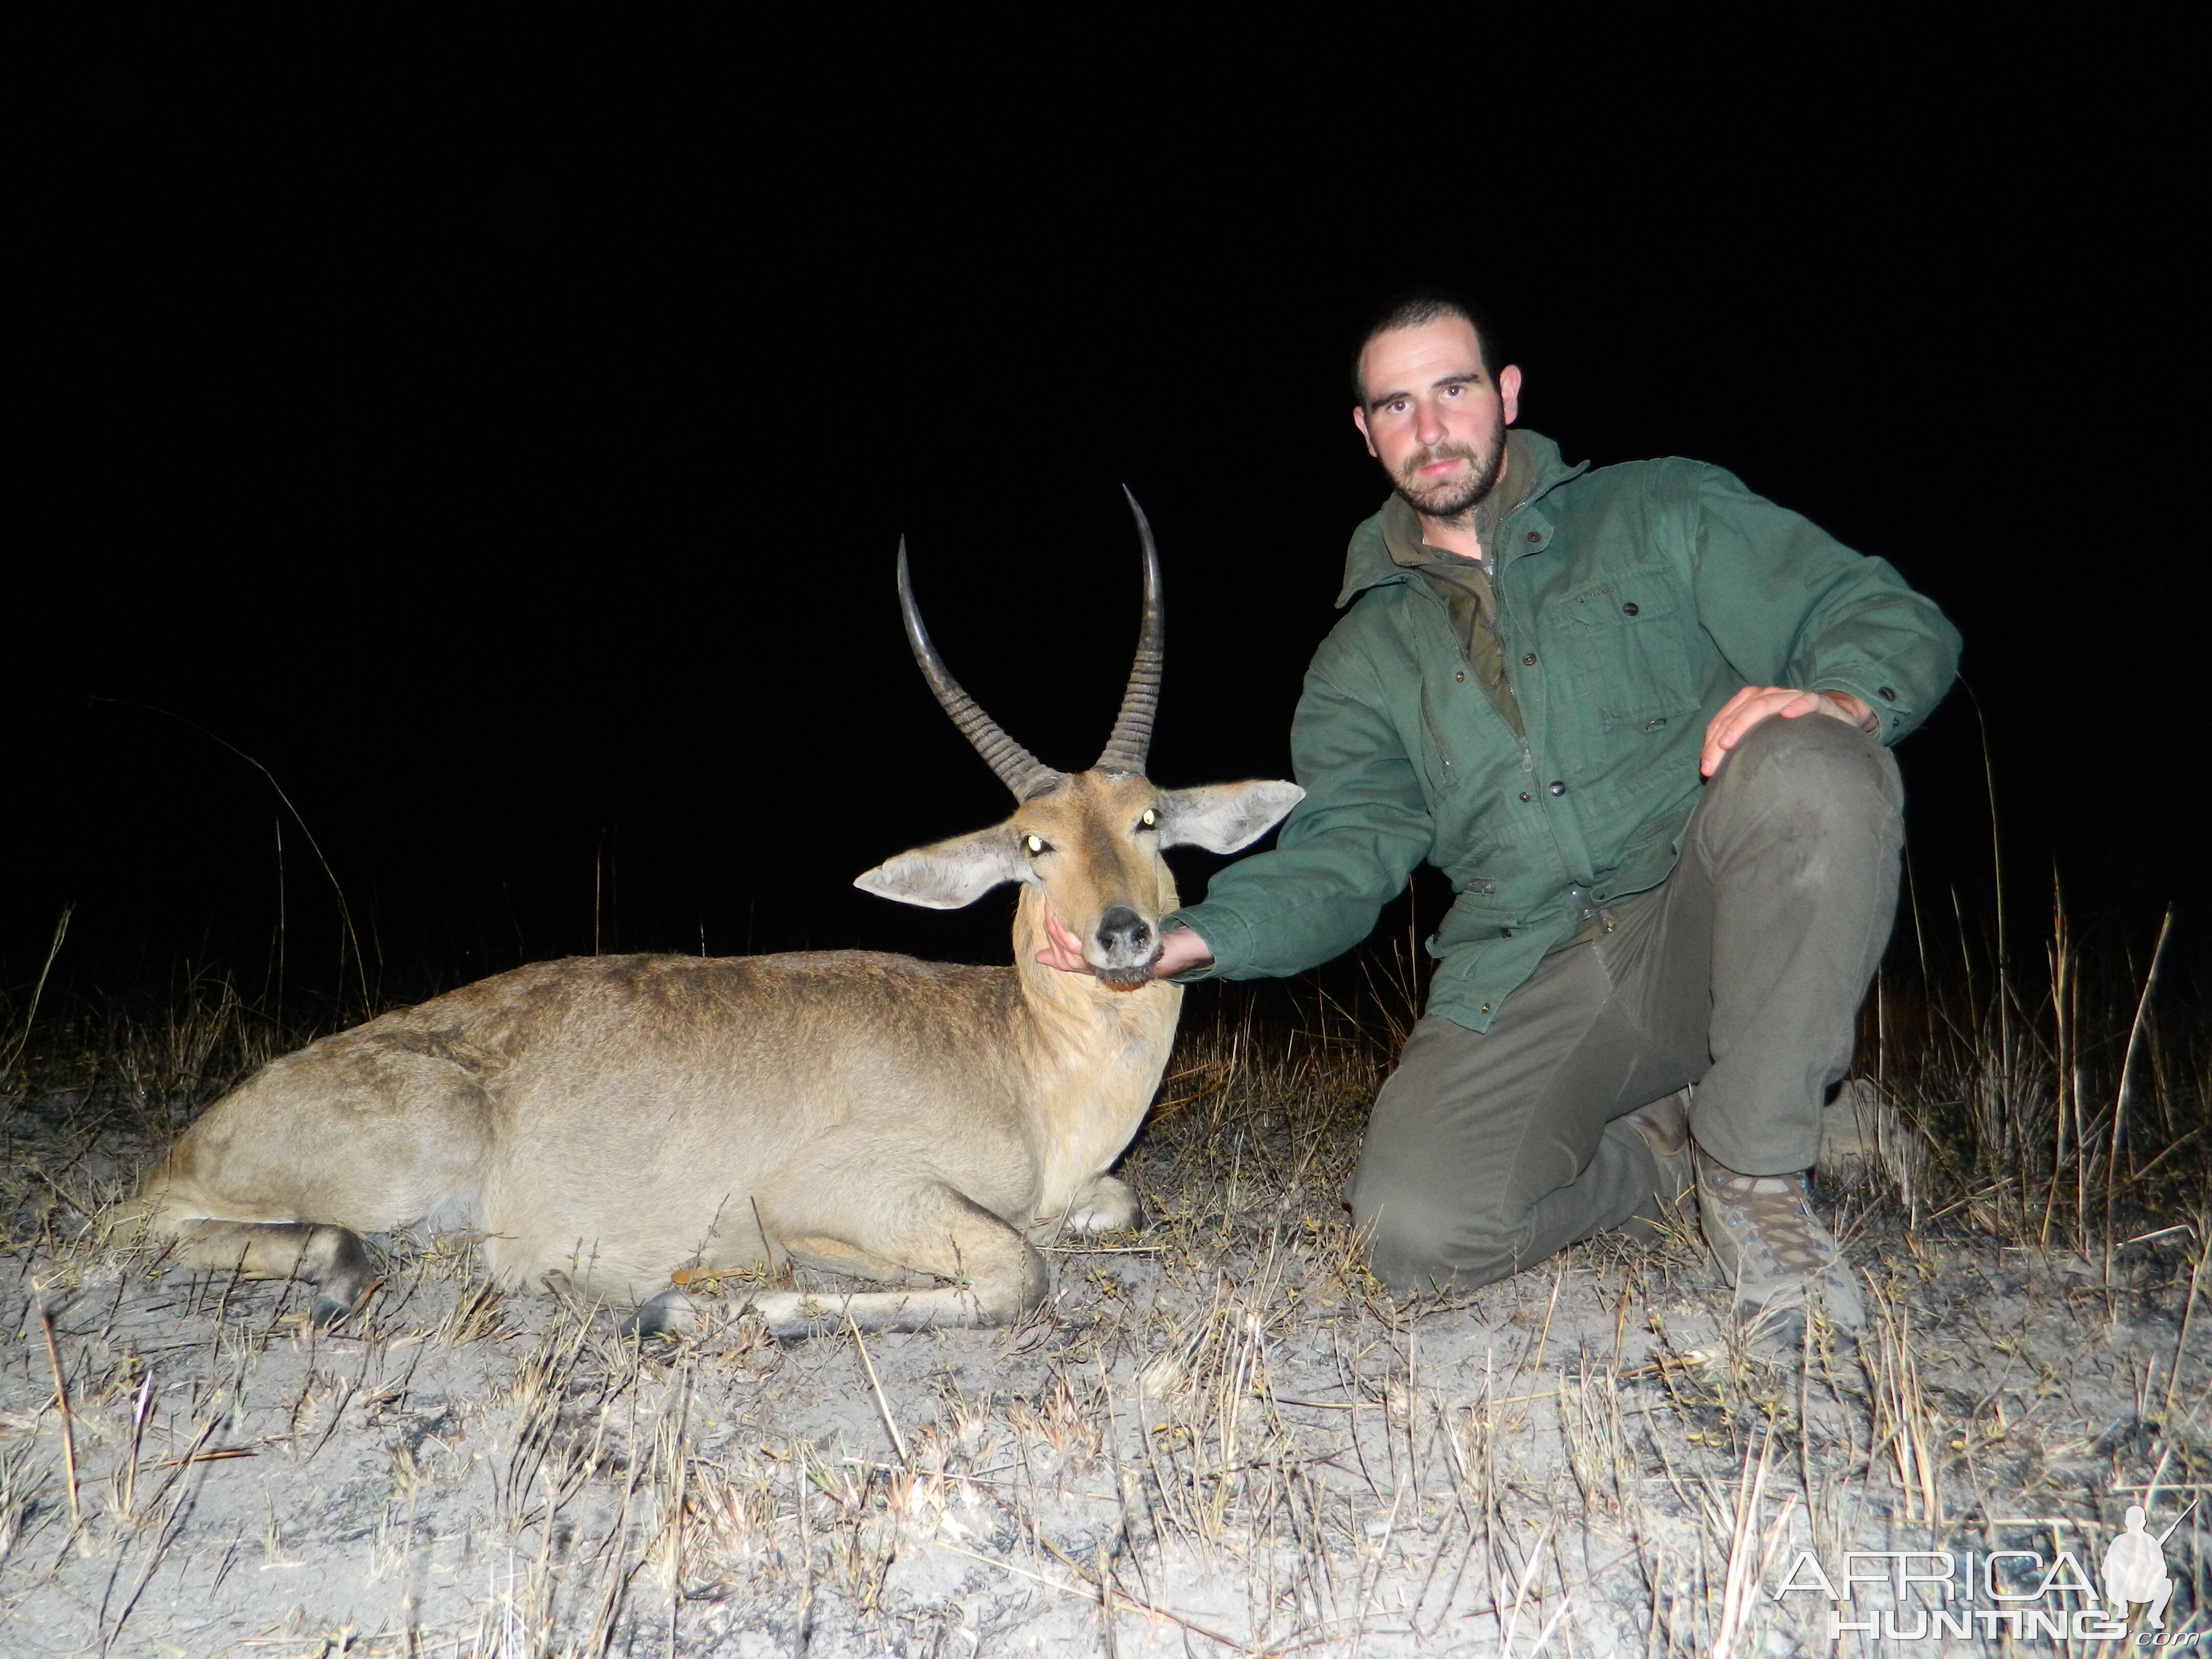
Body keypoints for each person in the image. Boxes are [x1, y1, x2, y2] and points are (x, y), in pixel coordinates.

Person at [1038, 287, 1960, 1338]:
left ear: (1507, 393)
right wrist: (1189, 939)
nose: (1430, 430)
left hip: (1701, 918)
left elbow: (1882, 616)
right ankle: (1674, 1144)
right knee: (1416, 1234)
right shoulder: (1357, 663)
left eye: (1453, 389)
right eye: (1396, 407)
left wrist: (1842, 693)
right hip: (1531, 972)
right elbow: (1342, 856)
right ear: (1365, 432)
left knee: (1812, 763)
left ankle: (1756, 1169)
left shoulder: (1661, 510)